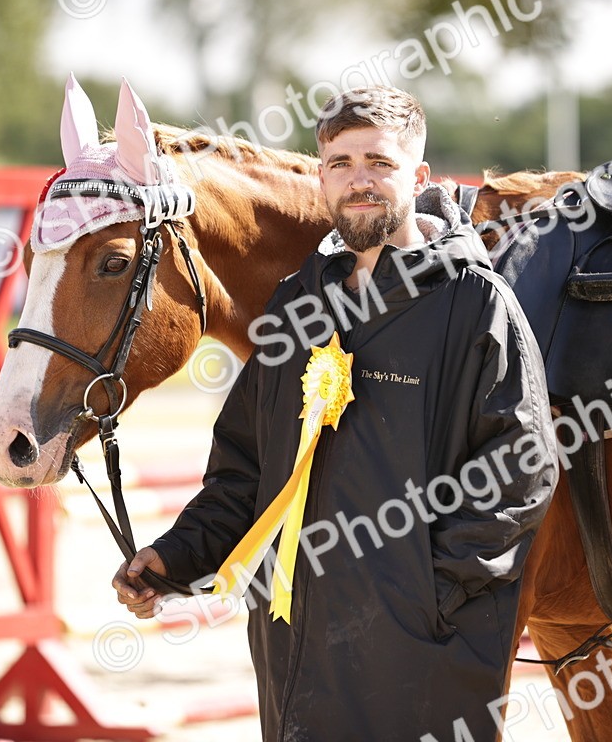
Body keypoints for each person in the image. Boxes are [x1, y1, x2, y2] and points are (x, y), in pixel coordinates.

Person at [112, 86, 558, 741]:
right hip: (294, 644)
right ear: (320, 176)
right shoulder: (295, 305)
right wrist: (174, 559)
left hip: (424, 652)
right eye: (341, 163)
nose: (359, 182)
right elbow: (247, 469)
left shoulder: (474, 304)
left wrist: (424, 586)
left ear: (420, 177)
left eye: (379, 163)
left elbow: (523, 466)